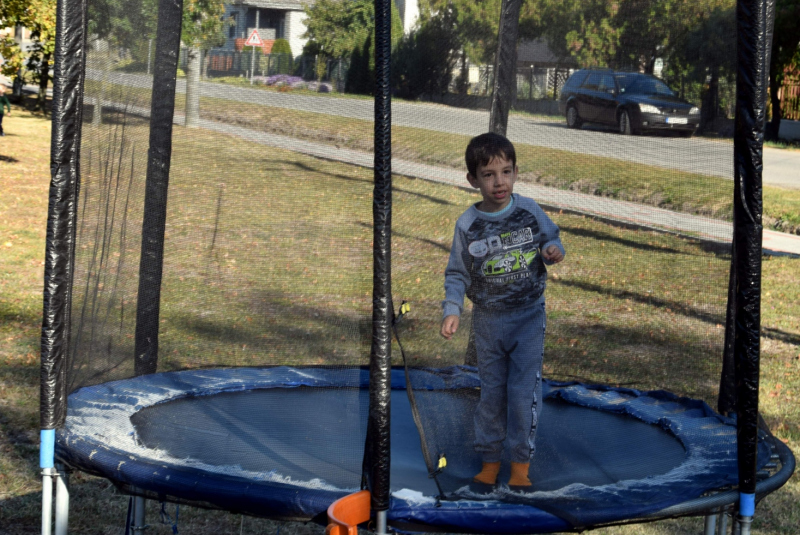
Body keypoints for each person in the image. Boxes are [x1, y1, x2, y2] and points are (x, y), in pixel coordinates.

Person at [440, 132, 565, 492]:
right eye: (489, 175)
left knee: (523, 393)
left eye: (506, 172)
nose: (499, 182)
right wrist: (453, 309)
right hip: (488, 322)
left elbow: (551, 238)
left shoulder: (528, 210)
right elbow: (457, 273)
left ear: (515, 173)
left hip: (527, 317)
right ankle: (489, 464)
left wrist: (553, 251)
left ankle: (520, 468)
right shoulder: (468, 225)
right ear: (473, 180)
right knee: (492, 394)